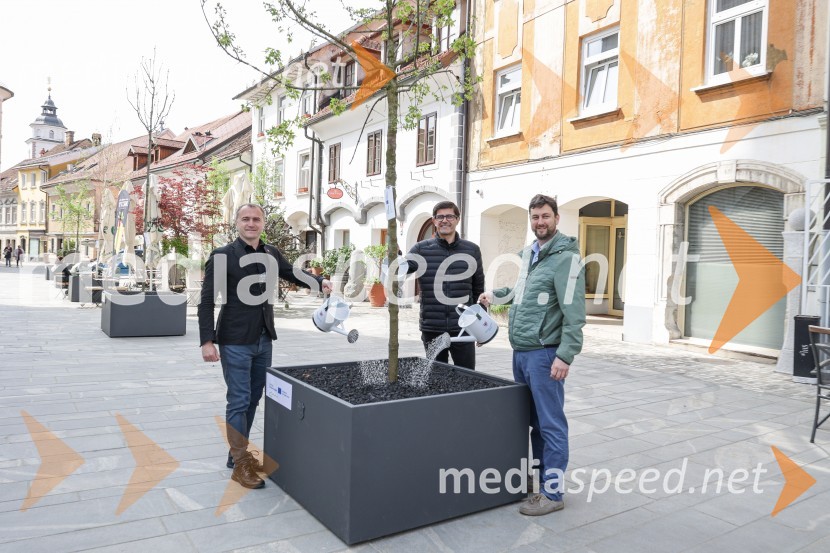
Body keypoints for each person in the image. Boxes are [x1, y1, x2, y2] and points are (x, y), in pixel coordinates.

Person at [198, 204, 332, 489]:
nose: (251, 223)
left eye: (256, 219)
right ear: (236, 223)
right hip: (234, 339)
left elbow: (292, 273)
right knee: (238, 398)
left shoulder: (271, 253)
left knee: (254, 398)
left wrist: (320, 281)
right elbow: (207, 300)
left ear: (263, 224)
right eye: (245, 219)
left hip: (263, 338)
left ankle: (237, 453)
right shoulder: (222, 256)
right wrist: (207, 341)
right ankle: (241, 463)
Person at [479, 194, 586, 516]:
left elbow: (575, 313)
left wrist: (565, 355)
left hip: (545, 354)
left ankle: (552, 493)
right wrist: (495, 294)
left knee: (551, 425)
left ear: (556, 219)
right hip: (522, 353)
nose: (540, 222)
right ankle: (540, 484)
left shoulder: (566, 259)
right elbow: (520, 292)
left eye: (545, 216)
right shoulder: (530, 254)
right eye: (535, 217)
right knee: (534, 425)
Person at [406, 201, 485, 369]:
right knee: (437, 379)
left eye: (449, 216)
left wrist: (480, 326)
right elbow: (400, 270)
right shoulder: (420, 249)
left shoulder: (472, 250)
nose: (444, 220)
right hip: (433, 328)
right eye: (440, 217)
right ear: (434, 221)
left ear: (457, 219)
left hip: (464, 327)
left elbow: (479, 290)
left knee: (466, 378)